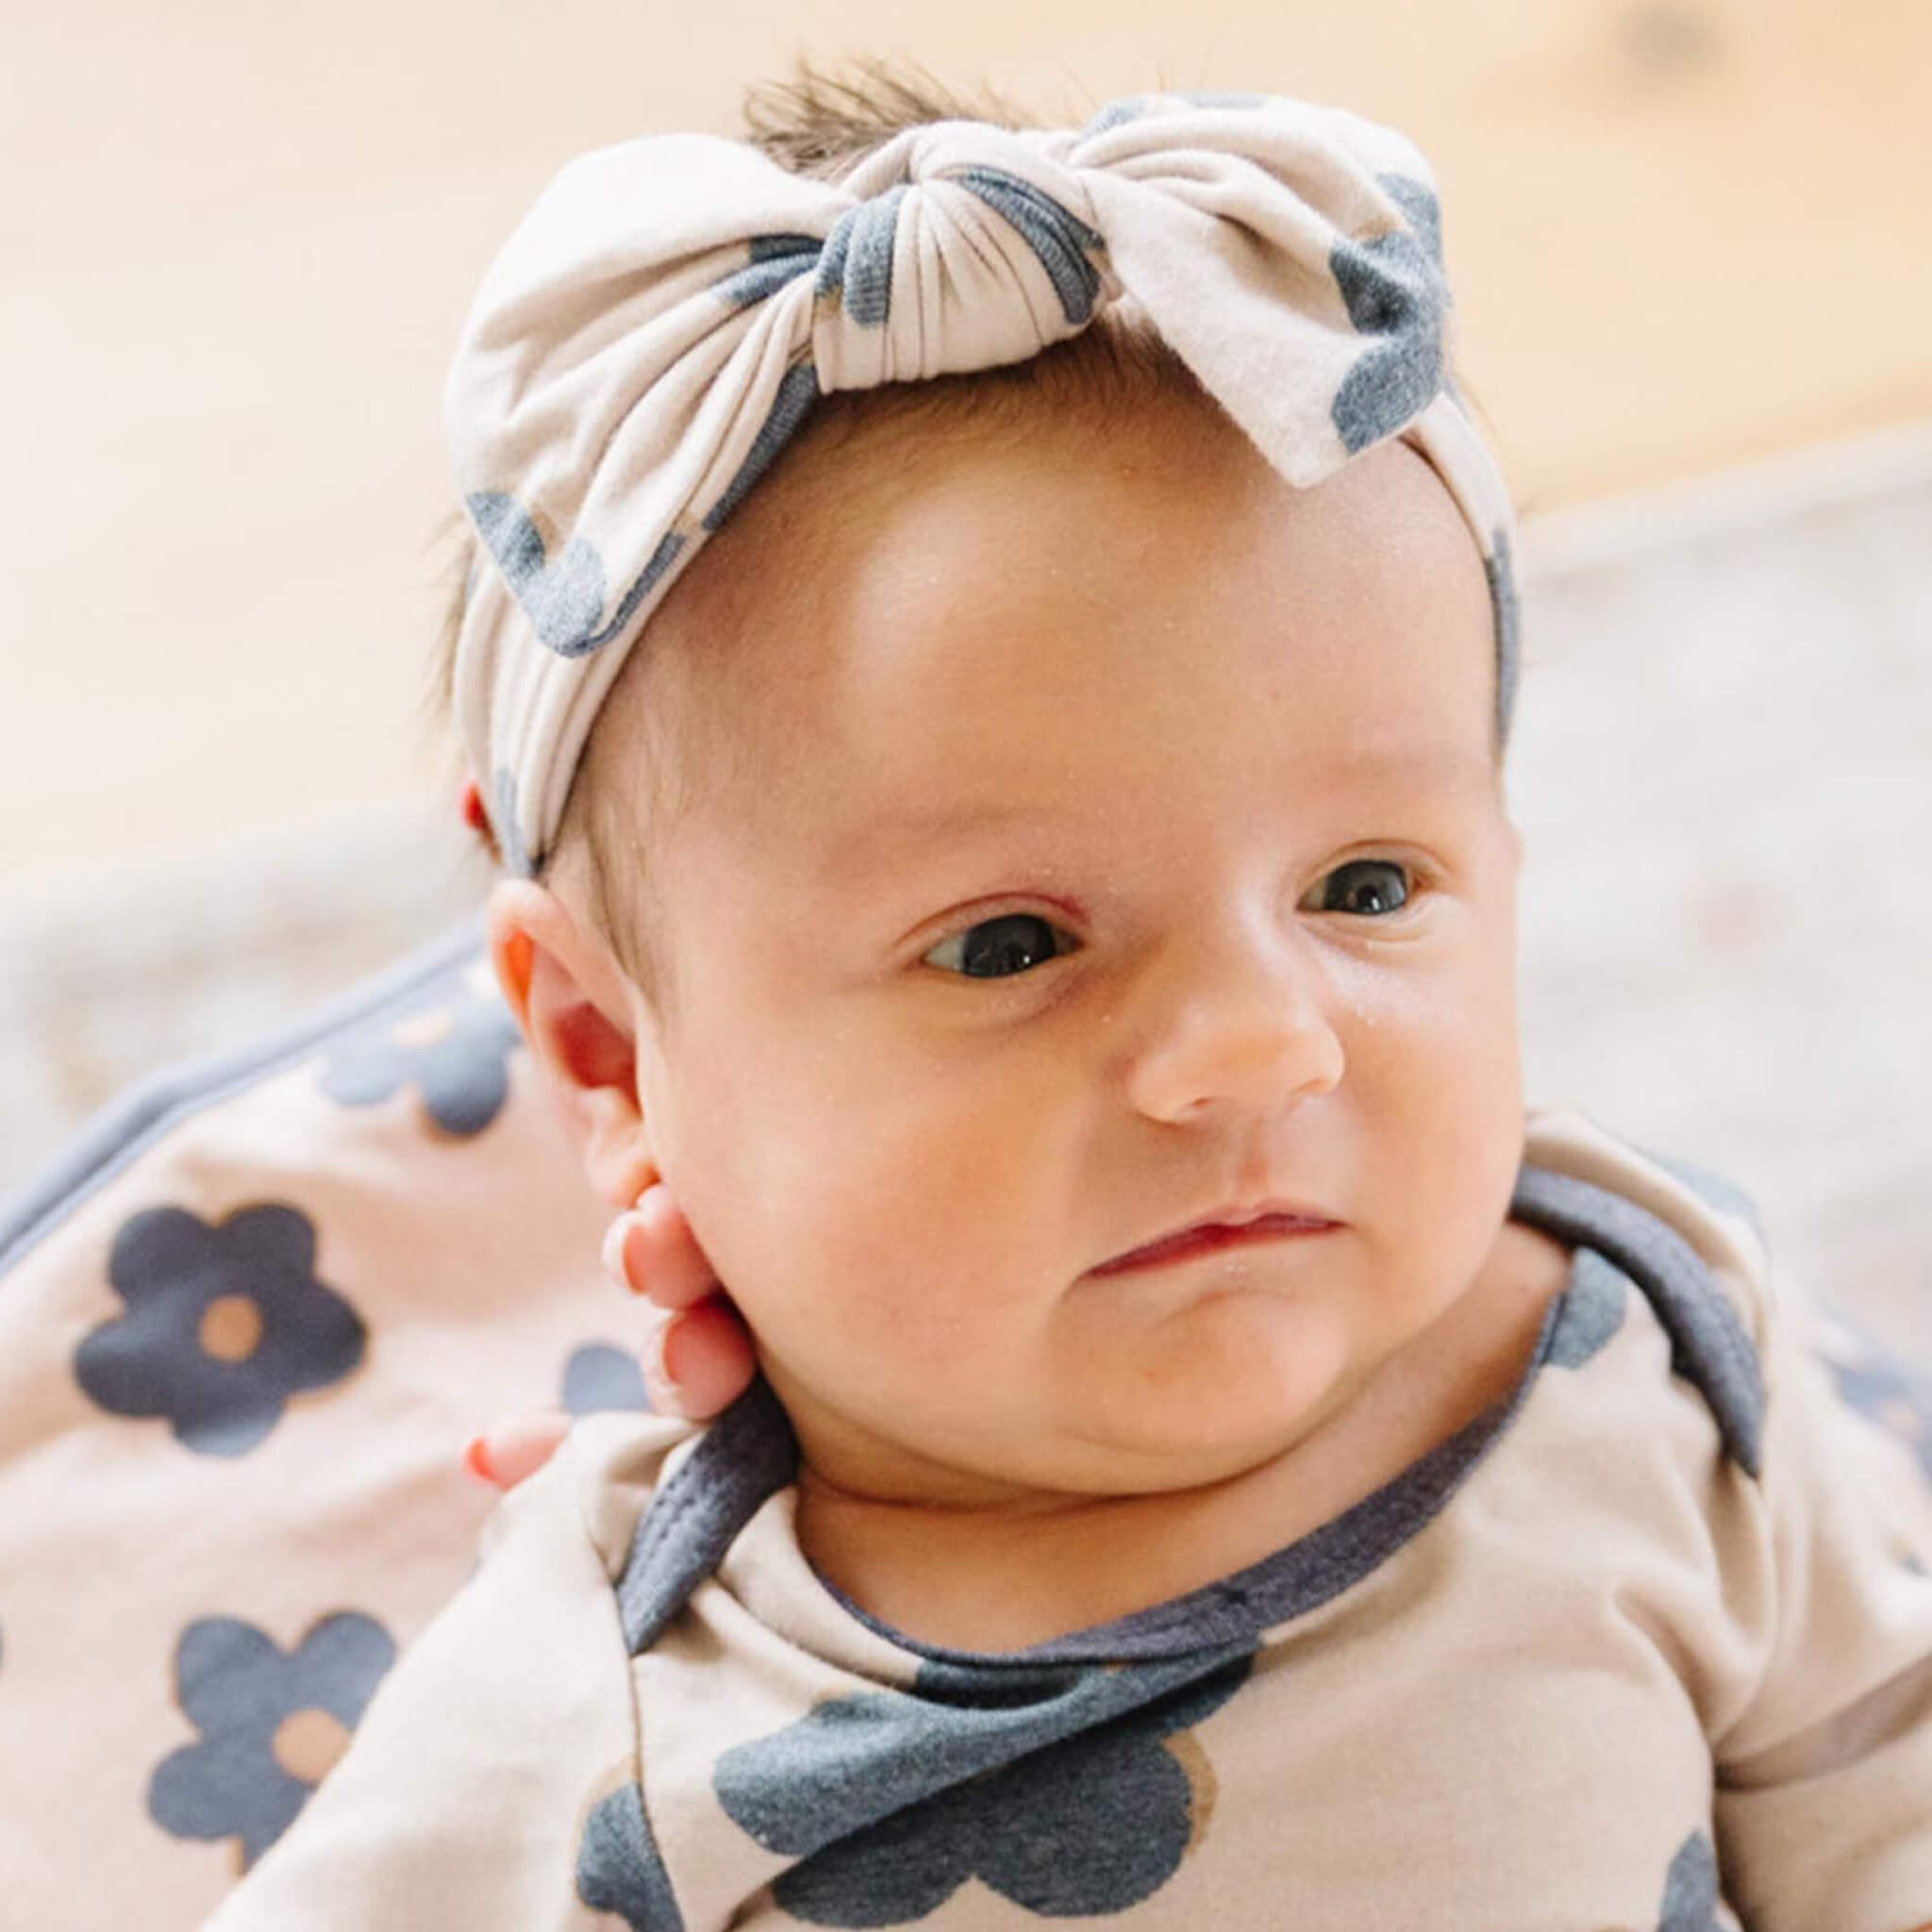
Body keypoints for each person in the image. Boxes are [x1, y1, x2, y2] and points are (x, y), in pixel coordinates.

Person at [205, 64, 1932, 1929]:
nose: (1262, 1039)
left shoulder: (1651, 1350)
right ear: (611, 1046)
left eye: (1364, 886)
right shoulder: (598, 1696)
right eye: (1009, 944)